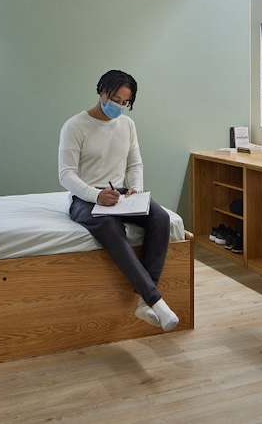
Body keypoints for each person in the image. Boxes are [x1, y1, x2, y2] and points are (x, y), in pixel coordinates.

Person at [58, 70, 178, 331]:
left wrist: (135, 190)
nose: (120, 107)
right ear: (102, 92)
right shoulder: (75, 126)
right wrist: (96, 195)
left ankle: (144, 303)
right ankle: (155, 300)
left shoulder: (127, 125)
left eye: (125, 102)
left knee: (161, 218)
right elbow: (66, 175)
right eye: (116, 100)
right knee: (110, 226)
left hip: (120, 194)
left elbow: (134, 164)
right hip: (86, 197)